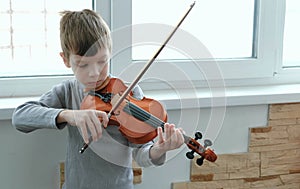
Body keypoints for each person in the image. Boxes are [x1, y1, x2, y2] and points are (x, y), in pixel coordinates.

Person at [12, 9, 184, 189]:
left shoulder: (129, 93)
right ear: (65, 60)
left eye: (102, 62)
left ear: (110, 52)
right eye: (83, 64)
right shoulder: (68, 91)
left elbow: (142, 154)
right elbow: (20, 117)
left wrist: (159, 149)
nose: (94, 73)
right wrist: (70, 115)